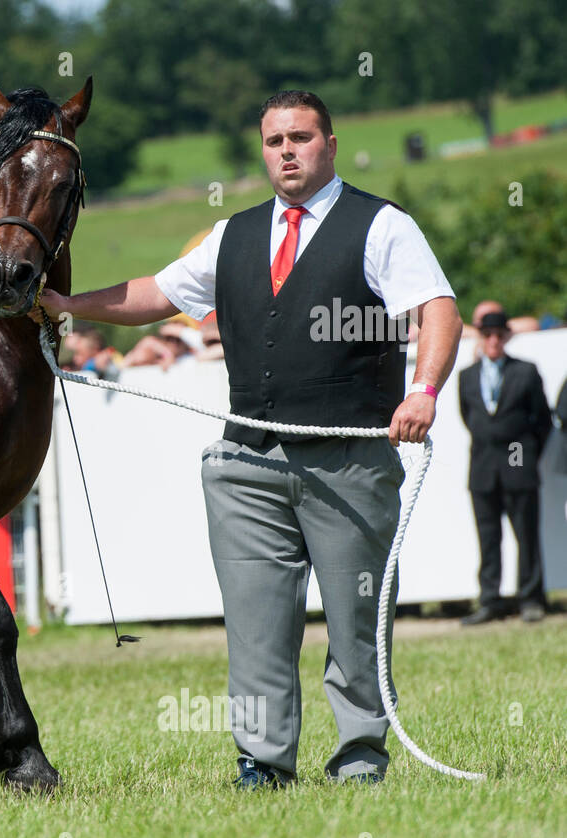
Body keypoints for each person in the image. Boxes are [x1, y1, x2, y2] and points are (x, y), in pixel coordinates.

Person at [32, 89, 462, 788]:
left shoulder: (381, 226)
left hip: (348, 459)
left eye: (300, 137)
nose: (287, 151)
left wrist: (426, 389)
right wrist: (69, 305)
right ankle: (262, 764)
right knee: (256, 626)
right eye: (273, 141)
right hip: (246, 463)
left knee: (356, 621)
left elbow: (438, 309)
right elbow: (157, 294)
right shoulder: (231, 234)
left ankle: (359, 758)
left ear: (330, 142)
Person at [458, 309, 552, 624]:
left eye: (499, 335)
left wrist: (523, 454)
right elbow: (470, 418)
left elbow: (541, 421)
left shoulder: (525, 372)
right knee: (488, 538)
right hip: (483, 467)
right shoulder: (467, 376)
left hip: (516, 460)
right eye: (488, 335)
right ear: (481, 338)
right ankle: (490, 599)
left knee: (525, 533)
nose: (494, 341)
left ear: (507, 337)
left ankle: (530, 597)